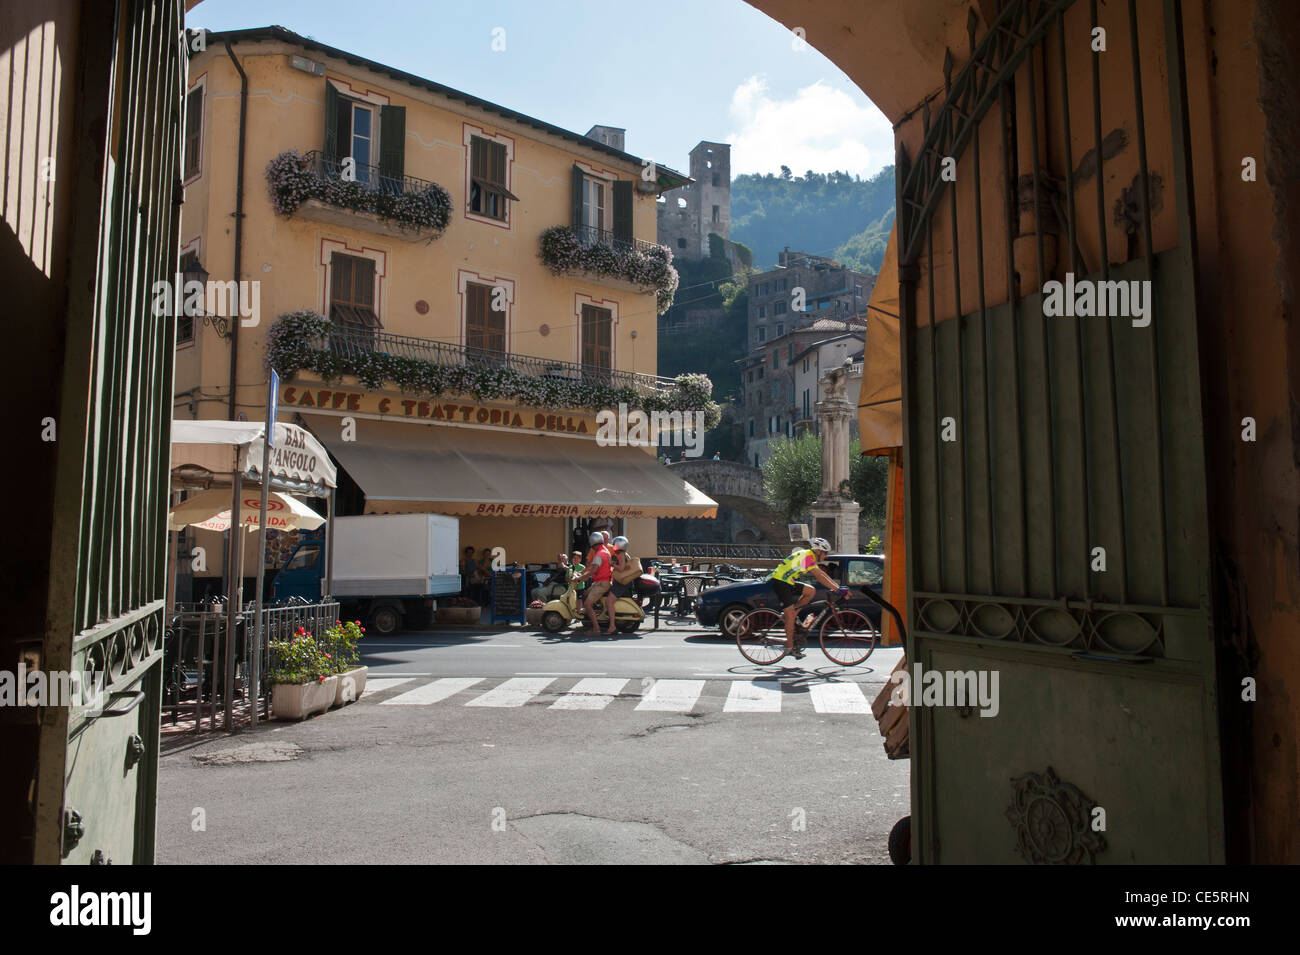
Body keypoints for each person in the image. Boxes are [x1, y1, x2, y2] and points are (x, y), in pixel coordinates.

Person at [767, 537, 848, 660]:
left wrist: (838, 587)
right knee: (790, 616)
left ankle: (792, 614)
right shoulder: (807, 557)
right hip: (780, 582)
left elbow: (822, 574)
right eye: (825, 553)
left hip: (788, 581)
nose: (826, 556)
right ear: (818, 551)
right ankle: (789, 647)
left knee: (810, 591)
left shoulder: (809, 556)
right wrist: (837, 590)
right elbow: (819, 576)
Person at [573, 532, 615, 636]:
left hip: (602, 583)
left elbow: (593, 570)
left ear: (593, 542)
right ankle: (593, 617)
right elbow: (592, 566)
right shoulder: (604, 551)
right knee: (586, 594)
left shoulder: (599, 554)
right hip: (602, 581)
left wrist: (580, 578)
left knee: (587, 604)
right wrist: (581, 572)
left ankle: (596, 629)